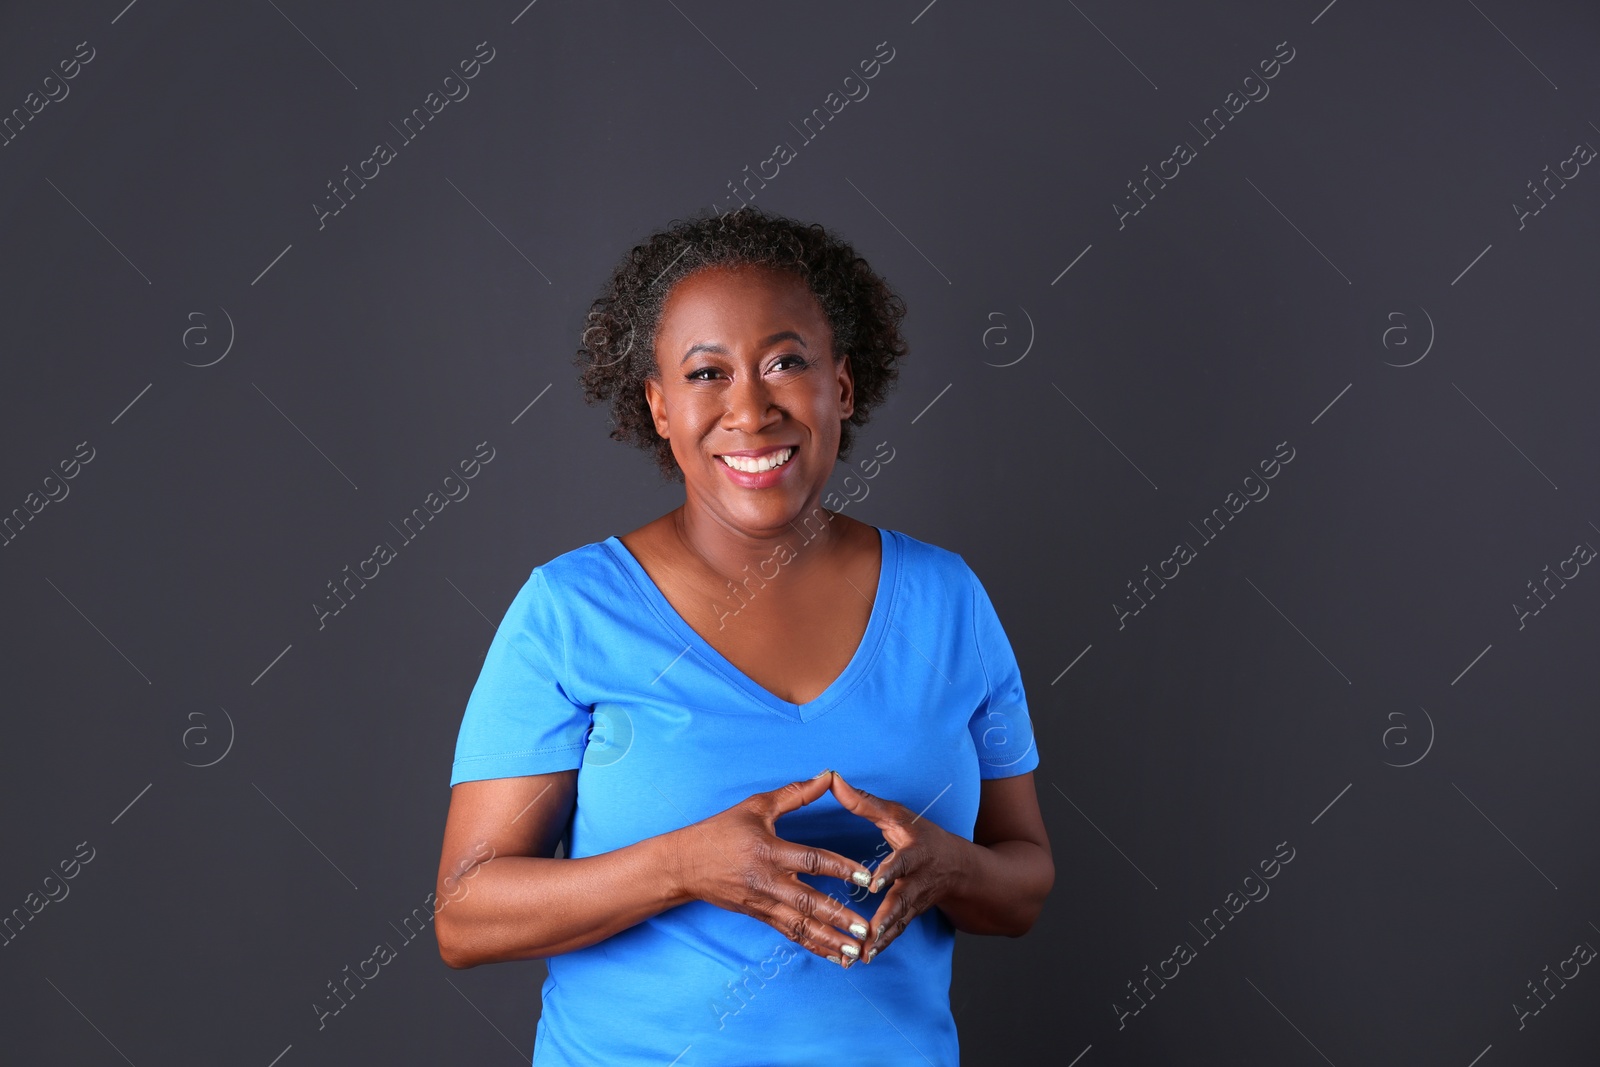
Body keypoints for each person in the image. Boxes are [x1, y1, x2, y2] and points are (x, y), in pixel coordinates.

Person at [434, 206, 1053, 1065]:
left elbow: (1023, 882)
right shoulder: (570, 611)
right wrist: (682, 867)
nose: (750, 408)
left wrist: (957, 868)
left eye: (785, 362)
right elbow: (464, 914)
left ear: (840, 384)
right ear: (657, 405)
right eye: (707, 373)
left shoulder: (947, 600)